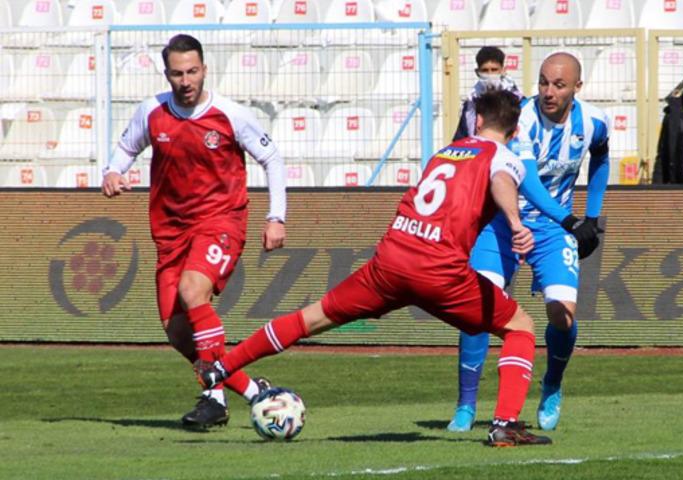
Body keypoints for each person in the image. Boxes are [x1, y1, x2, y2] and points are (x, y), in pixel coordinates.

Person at [195, 89, 552, 447]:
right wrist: (516, 223)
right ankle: (504, 424)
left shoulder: (445, 152)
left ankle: (221, 368)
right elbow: (501, 181)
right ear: (515, 130)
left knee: (312, 317)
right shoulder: (503, 155)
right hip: (439, 269)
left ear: (476, 120)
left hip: (392, 259)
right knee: (520, 326)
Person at [102, 34, 287, 429]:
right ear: (166, 73)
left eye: (192, 72)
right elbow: (125, 149)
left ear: (204, 69)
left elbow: (271, 158)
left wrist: (276, 217)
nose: (185, 81)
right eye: (177, 73)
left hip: (221, 221)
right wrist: (112, 172)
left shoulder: (231, 115)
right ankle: (256, 393)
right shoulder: (151, 112)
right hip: (169, 234)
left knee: (192, 291)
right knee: (178, 333)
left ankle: (214, 397)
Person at [448, 51, 610, 432]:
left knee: (562, 313)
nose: (548, 92)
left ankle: (552, 384)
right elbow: (531, 183)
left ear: (577, 87)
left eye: (559, 85)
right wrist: (573, 220)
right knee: (477, 307)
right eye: (542, 82)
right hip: (504, 221)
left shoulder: (594, 122)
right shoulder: (520, 120)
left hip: (552, 231)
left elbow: (602, 158)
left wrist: (593, 216)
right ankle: (466, 404)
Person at [453, 46, 523, 141]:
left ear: (503, 70)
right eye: (485, 70)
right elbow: (461, 138)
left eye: (494, 70)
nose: (490, 75)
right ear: (477, 72)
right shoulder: (471, 103)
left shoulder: (517, 101)